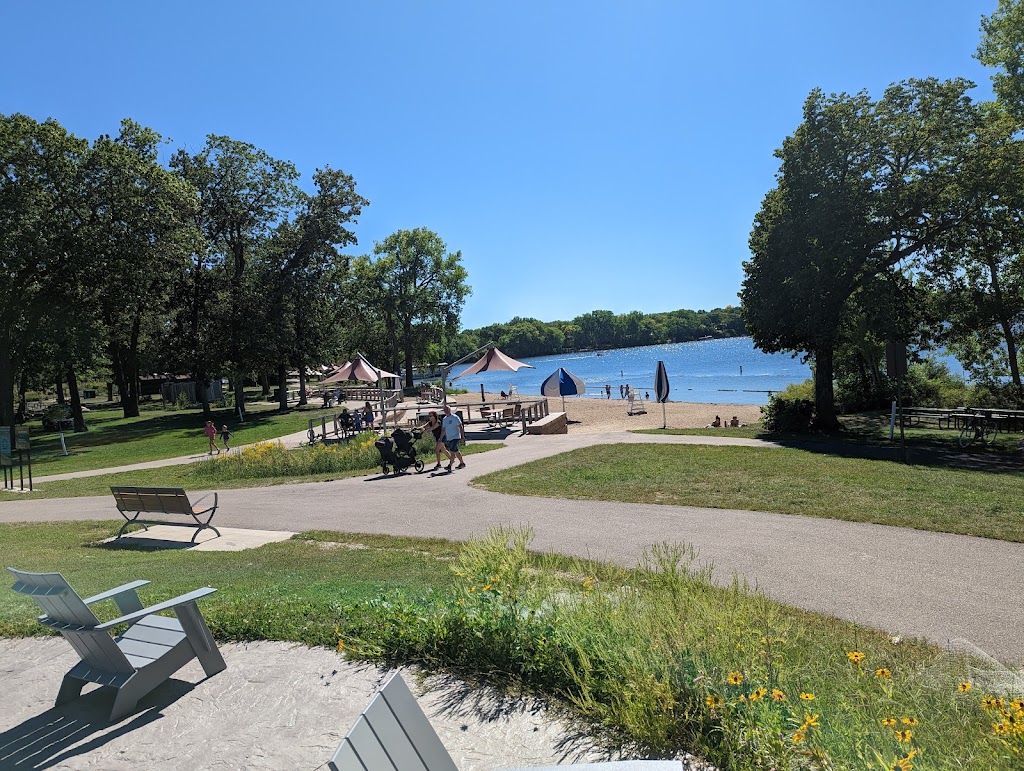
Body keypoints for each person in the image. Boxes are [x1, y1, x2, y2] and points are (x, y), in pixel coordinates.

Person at [440, 404, 466, 471]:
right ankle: (462, 463)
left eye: (447, 409)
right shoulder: (445, 419)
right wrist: (440, 438)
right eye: (445, 410)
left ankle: (450, 465)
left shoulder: (455, 417)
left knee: (452, 451)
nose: (446, 411)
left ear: (450, 410)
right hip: (449, 437)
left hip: (456, 437)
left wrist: (462, 436)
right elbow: (443, 429)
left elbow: (460, 427)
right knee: (456, 450)